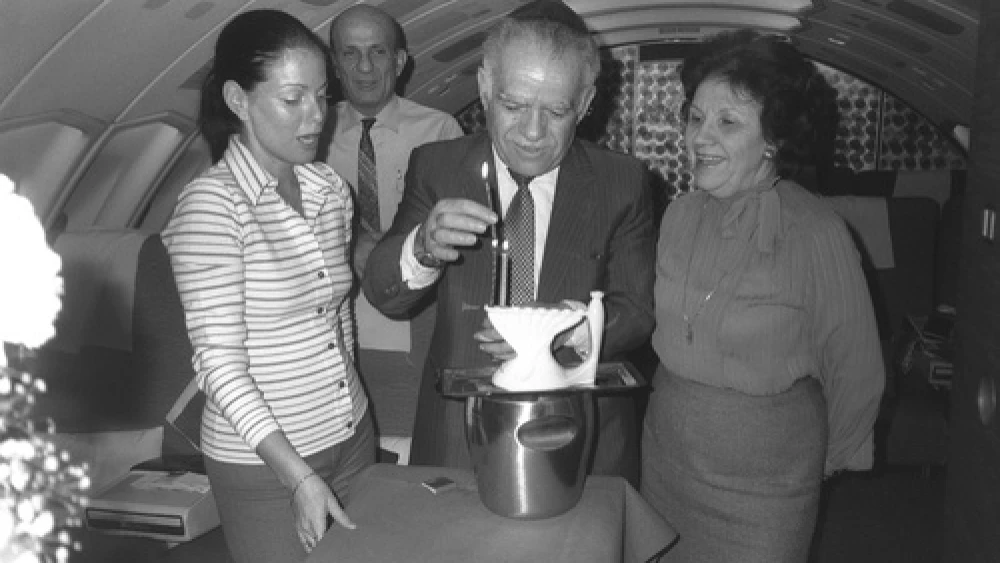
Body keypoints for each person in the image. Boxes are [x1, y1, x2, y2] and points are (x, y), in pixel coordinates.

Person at [361, 2, 656, 483]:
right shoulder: (437, 167)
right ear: (483, 88)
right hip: (460, 434)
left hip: (580, 437)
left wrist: (560, 328)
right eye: (514, 105)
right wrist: (422, 249)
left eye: (556, 111)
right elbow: (382, 292)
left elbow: (637, 311)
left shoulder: (619, 182)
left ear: (584, 105)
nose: (533, 133)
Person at [641, 30, 884, 562]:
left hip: (766, 492)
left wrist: (810, 467)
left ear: (773, 139)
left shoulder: (816, 232)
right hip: (666, 468)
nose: (701, 137)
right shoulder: (678, 216)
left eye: (728, 122)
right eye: (696, 118)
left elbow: (857, 371)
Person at [162, 10, 374, 563]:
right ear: (238, 100)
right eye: (292, 99)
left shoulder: (330, 188)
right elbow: (219, 367)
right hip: (265, 465)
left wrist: (354, 417)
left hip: (352, 437)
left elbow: (336, 318)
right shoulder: (213, 206)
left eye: (323, 97)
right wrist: (299, 477)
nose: (315, 117)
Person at [325, 3, 464, 445]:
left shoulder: (440, 131)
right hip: (336, 314)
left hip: (419, 312)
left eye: (378, 53)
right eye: (350, 54)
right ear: (334, 63)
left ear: (400, 61)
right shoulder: (311, 134)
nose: (364, 67)